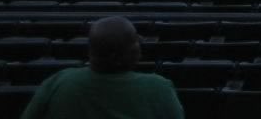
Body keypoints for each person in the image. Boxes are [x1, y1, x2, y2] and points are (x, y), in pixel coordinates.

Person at [21, 14, 183, 118]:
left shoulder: (58, 81)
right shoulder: (159, 87)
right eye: (134, 40)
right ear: (120, 55)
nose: (139, 42)